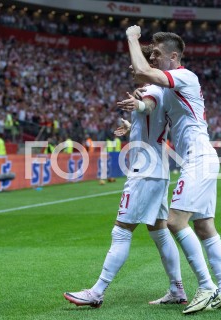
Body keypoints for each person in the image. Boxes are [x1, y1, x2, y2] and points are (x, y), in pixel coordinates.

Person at [64, 45, 187, 308]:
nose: (132, 67)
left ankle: (96, 292)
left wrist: (139, 105)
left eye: (136, 63)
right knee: (159, 233)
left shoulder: (152, 90)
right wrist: (132, 125)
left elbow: (148, 105)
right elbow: (153, 121)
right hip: (157, 170)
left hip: (144, 173)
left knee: (121, 231)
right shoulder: (162, 90)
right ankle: (177, 289)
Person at [125, 26, 221, 314]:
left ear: (174, 57)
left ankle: (207, 287)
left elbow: (143, 74)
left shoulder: (185, 76)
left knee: (175, 221)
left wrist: (132, 39)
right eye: (151, 54)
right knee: (204, 226)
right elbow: (148, 92)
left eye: (157, 54)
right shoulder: (171, 85)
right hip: (201, 156)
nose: (153, 58)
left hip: (199, 157)